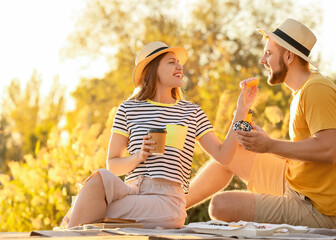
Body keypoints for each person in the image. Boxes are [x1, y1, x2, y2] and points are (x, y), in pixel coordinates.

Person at [61, 41, 257, 229]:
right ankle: (73, 224)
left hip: (166, 200)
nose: (179, 66)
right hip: (130, 192)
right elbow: (113, 165)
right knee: (100, 178)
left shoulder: (191, 112)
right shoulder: (128, 109)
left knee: (89, 209)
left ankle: (69, 226)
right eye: (171, 62)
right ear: (152, 69)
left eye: (178, 62)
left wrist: (241, 111)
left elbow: (223, 156)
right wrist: (139, 156)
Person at [185, 18, 336, 229]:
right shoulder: (303, 90)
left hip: (314, 208)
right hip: (295, 182)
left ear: (289, 56)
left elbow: (329, 149)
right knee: (231, 154)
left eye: (268, 53)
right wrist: (244, 113)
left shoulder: (316, 90)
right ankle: (173, 208)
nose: (262, 60)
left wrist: (270, 145)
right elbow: (308, 150)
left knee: (221, 205)